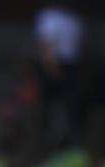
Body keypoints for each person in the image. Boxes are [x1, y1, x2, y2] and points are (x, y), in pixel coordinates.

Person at [34, 1, 87, 147]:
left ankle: (69, 139)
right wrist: (51, 68)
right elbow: (46, 46)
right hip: (56, 64)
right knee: (50, 106)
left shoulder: (74, 19)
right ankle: (46, 140)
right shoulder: (50, 17)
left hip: (72, 65)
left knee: (71, 104)